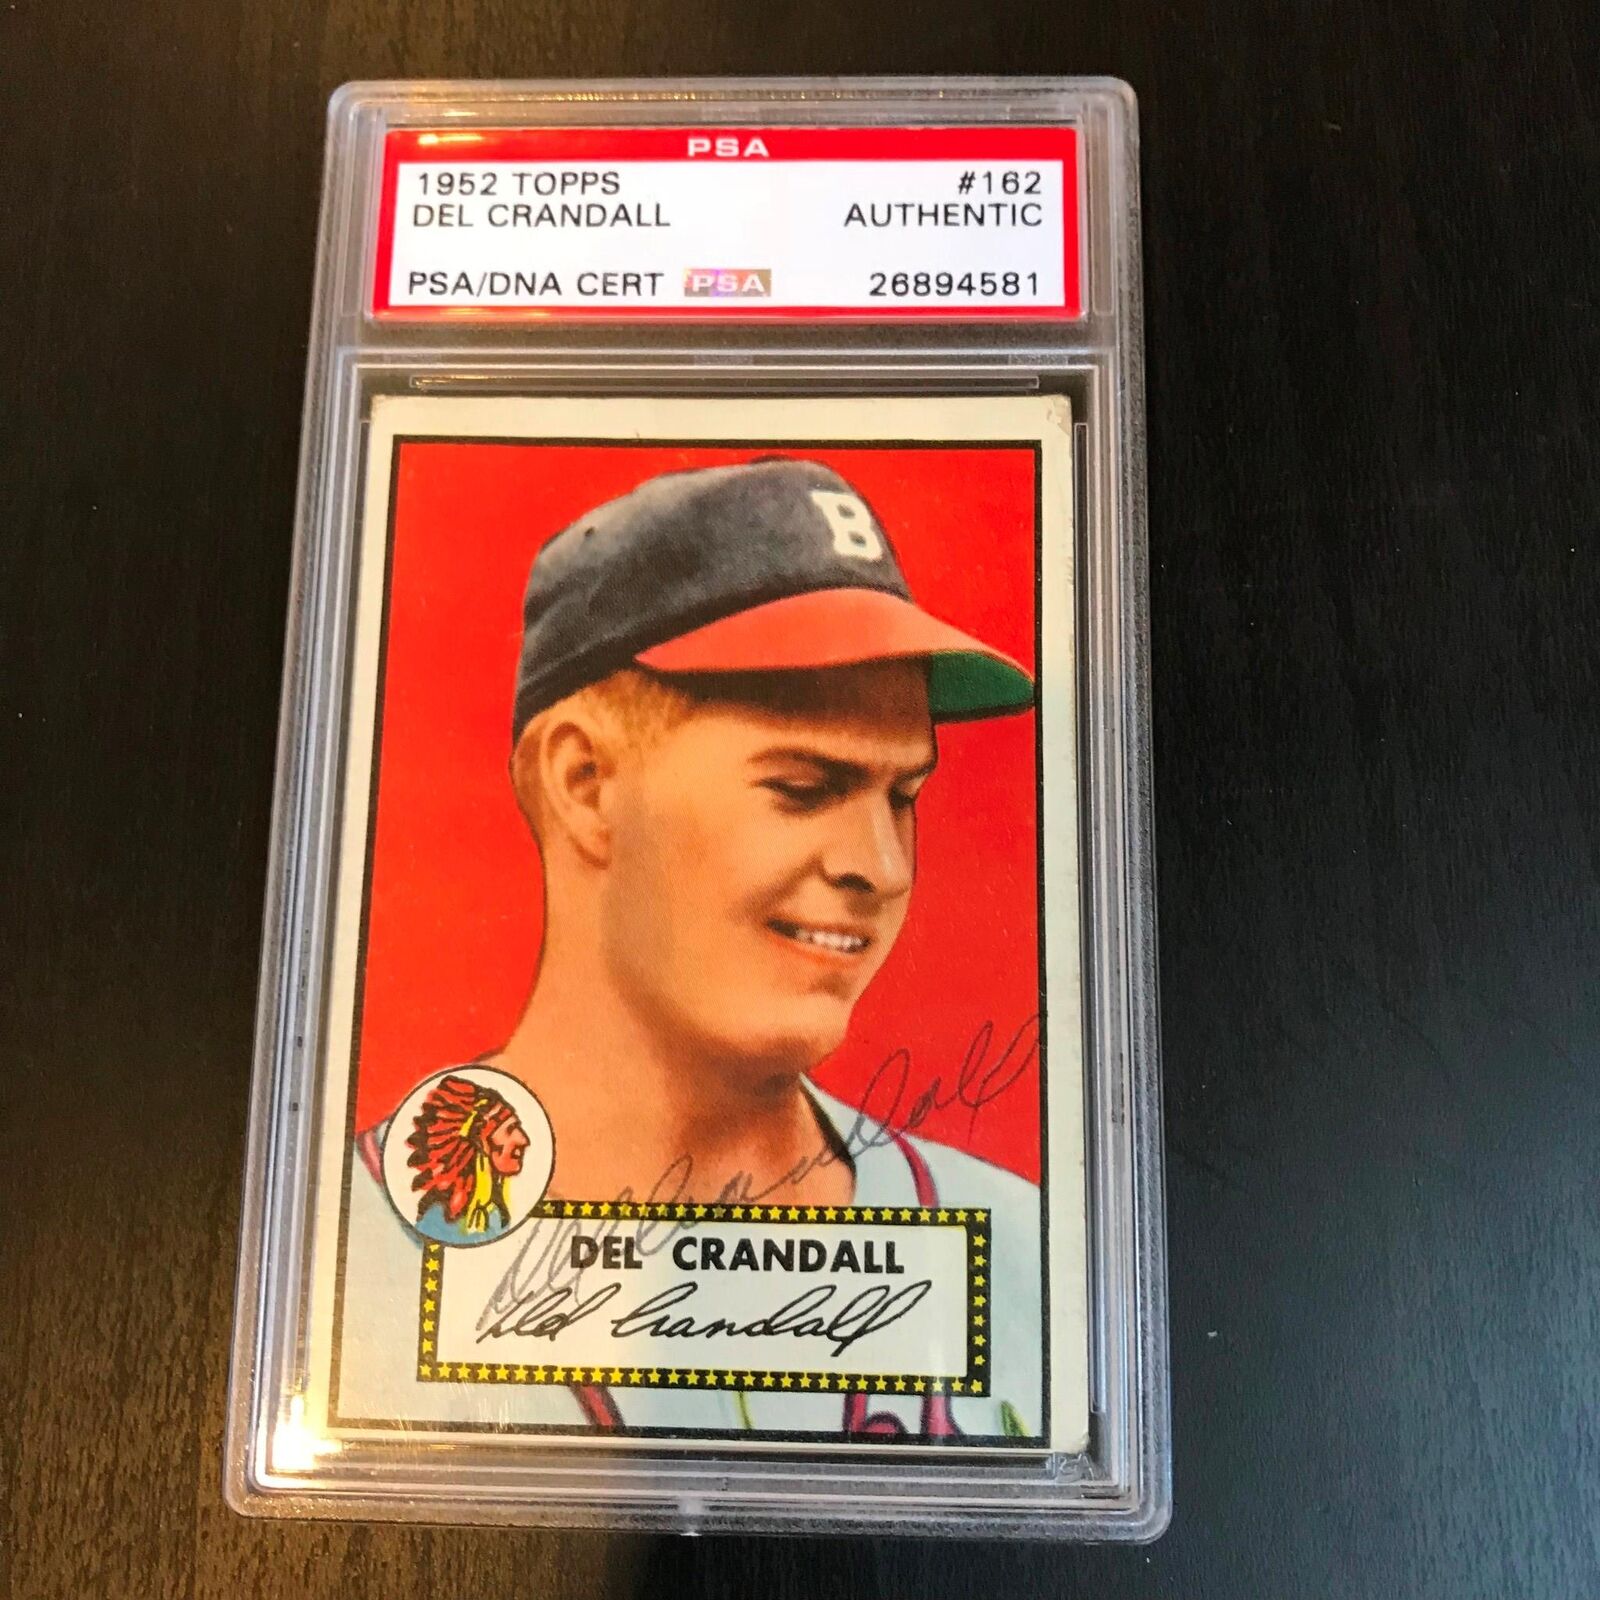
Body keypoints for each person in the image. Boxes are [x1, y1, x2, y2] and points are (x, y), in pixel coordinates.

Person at [343, 457, 1045, 1439]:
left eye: (903, 796)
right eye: (803, 788)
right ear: (587, 785)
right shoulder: (341, 1268)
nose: (880, 867)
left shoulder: (1019, 1251)